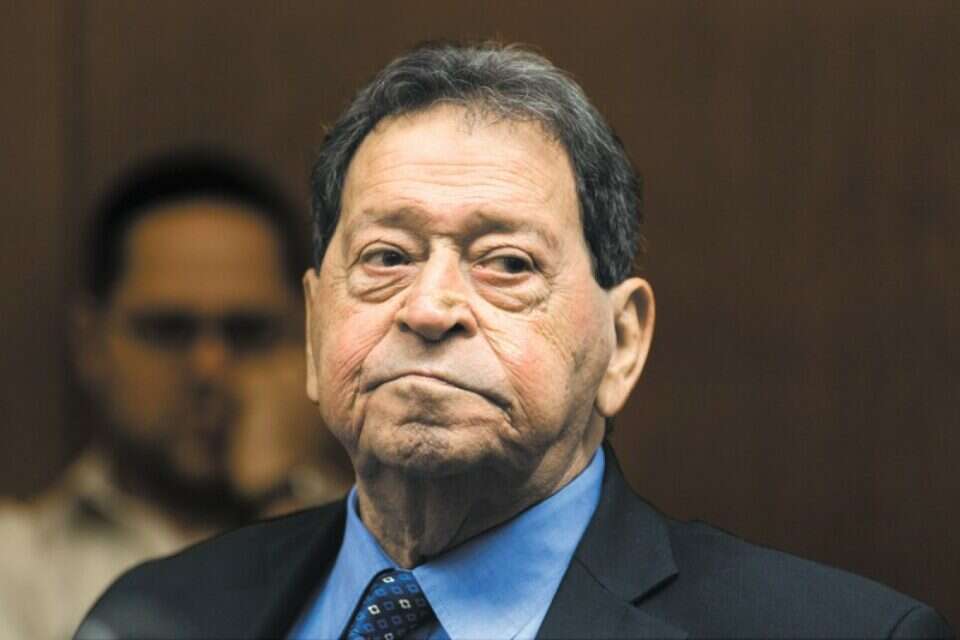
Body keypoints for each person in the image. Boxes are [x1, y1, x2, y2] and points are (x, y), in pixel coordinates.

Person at [77, 44, 953, 639]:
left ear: (622, 343)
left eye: (505, 263)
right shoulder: (152, 617)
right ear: (314, 329)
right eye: (387, 257)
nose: (430, 308)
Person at [0, 151, 353, 640]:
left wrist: (281, 501)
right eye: (167, 330)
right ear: (90, 344)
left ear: (311, 338)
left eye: (247, 332)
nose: (210, 368)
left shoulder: (391, 552)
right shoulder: (14, 567)